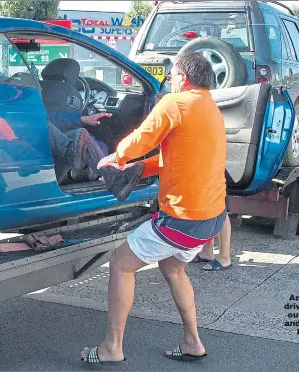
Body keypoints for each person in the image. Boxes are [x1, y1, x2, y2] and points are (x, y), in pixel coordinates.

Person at [80, 52, 227, 364]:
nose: (168, 81)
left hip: (183, 219)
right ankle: (192, 342)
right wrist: (140, 169)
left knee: (121, 264)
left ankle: (111, 348)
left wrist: (117, 157)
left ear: (184, 78)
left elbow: (143, 137)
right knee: (173, 267)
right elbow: (181, 158)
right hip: (213, 217)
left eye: (171, 76)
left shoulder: (176, 103)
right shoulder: (209, 108)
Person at [47, 111, 145, 202]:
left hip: (73, 162)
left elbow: (54, 120)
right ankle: (114, 180)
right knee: (39, 122)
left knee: (82, 134)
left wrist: (84, 119)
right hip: (52, 167)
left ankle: (115, 179)